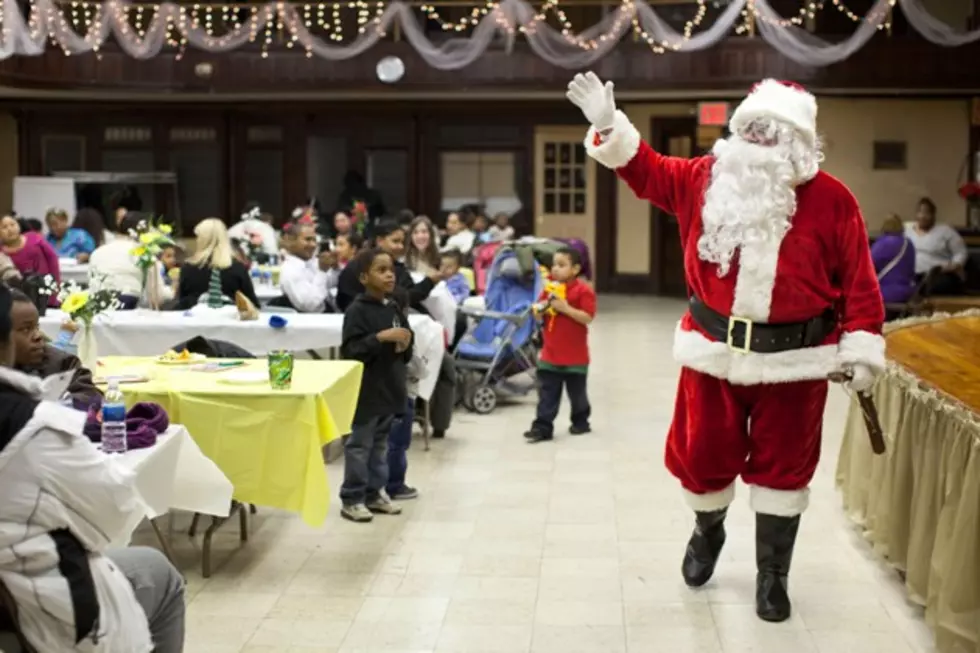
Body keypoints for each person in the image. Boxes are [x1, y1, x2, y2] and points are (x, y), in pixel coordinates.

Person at [568, 73, 885, 622]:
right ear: (737, 131)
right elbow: (644, 170)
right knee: (702, 457)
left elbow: (860, 280)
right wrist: (607, 125)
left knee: (785, 470)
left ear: (800, 143)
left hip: (795, 363)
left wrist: (860, 348)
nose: (762, 141)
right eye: (753, 128)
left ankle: (772, 575)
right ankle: (707, 531)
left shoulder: (833, 200)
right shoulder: (702, 178)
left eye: (776, 132)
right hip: (711, 355)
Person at [0, 284, 186, 653]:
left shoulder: (54, 367)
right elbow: (113, 515)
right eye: (21, 330)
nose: (35, 336)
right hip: (37, 600)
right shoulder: (31, 428)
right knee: (158, 573)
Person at [339, 248, 411, 522]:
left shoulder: (393, 307)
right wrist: (379, 338)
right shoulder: (357, 311)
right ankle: (352, 497)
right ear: (364, 277)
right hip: (366, 390)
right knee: (359, 446)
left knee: (381, 445)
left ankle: (375, 492)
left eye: (391, 269)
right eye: (381, 270)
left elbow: (406, 340)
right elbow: (351, 350)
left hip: (390, 387)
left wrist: (405, 342)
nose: (389, 274)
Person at [524, 247, 596, 444]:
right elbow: (539, 311)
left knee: (577, 395)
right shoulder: (549, 290)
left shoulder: (583, 291)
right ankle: (542, 427)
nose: (555, 269)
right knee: (547, 393)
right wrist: (538, 311)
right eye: (554, 264)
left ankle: (581, 421)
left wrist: (565, 308)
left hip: (576, 356)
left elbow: (588, 317)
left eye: (562, 265)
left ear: (575, 269)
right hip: (550, 354)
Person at [9, 289, 102, 404]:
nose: (38, 336)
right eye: (26, 329)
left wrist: (58, 406)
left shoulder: (63, 364)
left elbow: (90, 397)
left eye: (36, 327)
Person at [176, 218, 259, 310]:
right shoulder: (238, 268)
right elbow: (253, 305)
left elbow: (181, 304)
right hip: (230, 322)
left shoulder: (188, 269)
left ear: (202, 240)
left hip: (195, 322)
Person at [904, 197, 968, 296]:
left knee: (938, 285)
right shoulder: (907, 229)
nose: (923, 216)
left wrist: (955, 265)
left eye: (927, 213)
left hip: (937, 275)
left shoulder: (945, 231)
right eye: (920, 212)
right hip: (912, 275)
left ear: (933, 215)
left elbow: (961, 252)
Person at [88, 213, 148, 309]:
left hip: (97, 304)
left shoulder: (97, 252)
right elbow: (156, 295)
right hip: (129, 303)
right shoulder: (143, 253)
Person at [280, 222, 334, 313]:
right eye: (308, 240)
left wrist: (335, 267)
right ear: (291, 241)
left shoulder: (311, 263)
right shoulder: (290, 270)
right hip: (313, 322)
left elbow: (331, 284)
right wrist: (322, 272)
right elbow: (310, 306)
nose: (313, 245)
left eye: (314, 240)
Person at [870, 214, 917, 307]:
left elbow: (868, 265)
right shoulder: (908, 243)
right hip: (908, 291)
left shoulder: (882, 243)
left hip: (885, 292)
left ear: (884, 226)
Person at [0, 214, 60, 281]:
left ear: (18, 225)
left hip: (48, 285)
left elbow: (52, 257)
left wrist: (56, 282)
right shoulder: (1, 253)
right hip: (20, 289)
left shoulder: (33, 237)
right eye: (4, 227)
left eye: (12, 224)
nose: (10, 229)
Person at [336, 170, 387, 235]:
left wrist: (365, 209)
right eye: (350, 184)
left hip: (372, 226)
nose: (354, 187)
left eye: (355, 183)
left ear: (361, 183)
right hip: (351, 229)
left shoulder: (373, 195)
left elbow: (382, 213)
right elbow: (341, 211)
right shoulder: (345, 196)